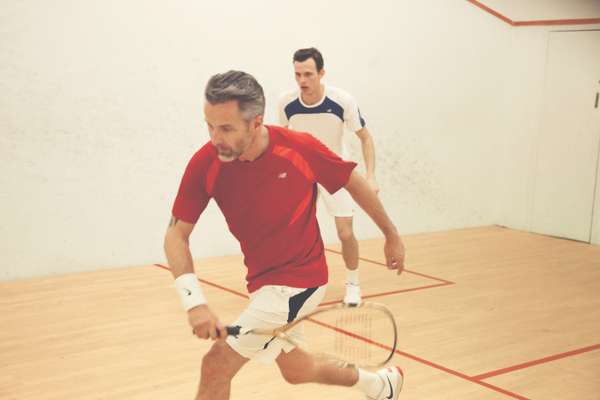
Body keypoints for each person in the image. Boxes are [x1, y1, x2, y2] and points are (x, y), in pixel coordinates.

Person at [164, 70, 405, 400]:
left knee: (216, 364)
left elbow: (354, 182)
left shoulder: (298, 148)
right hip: (263, 282)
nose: (215, 137)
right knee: (297, 371)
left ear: (256, 123)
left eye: (226, 128)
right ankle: (379, 385)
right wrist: (194, 302)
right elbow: (176, 236)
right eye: (209, 125)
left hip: (300, 280)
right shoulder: (206, 163)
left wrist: (391, 235)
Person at [279, 47, 378, 305]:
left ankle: (353, 285)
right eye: (298, 74)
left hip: (336, 171)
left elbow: (365, 138)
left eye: (308, 74)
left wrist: (371, 176)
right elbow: (281, 142)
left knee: (345, 233)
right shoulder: (287, 103)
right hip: (302, 174)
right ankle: (297, 283)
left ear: (322, 73)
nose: (302, 81)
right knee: (297, 232)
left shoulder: (341, 101)